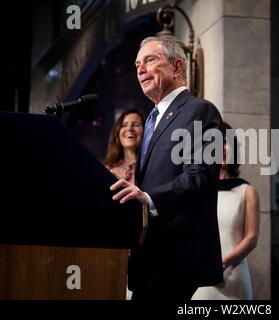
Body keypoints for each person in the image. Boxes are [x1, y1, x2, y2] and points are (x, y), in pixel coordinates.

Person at [110, 37, 223, 300]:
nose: (140, 69)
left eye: (150, 60)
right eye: (137, 64)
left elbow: (200, 177)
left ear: (178, 66)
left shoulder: (200, 111)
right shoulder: (153, 118)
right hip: (149, 255)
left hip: (175, 256)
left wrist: (148, 198)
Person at [192, 122, 260, 300]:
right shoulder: (197, 189)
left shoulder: (247, 190)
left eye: (225, 142)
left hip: (233, 276)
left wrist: (221, 263)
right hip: (200, 276)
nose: (220, 148)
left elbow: (251, 238)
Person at [104, 109, 144, 184]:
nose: (129, 129)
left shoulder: (151, 168)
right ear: (117, 132)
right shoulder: (108, 169)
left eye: (136, 125)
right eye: (124, 125)